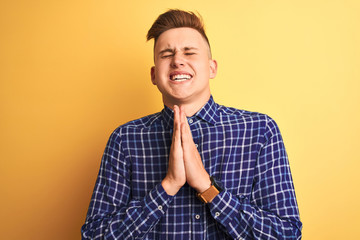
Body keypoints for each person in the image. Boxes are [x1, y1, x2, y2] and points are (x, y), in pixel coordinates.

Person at [81, 9, 302, 239]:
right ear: (154, 74)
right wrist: (167, 187)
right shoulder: (125, 139)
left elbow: (287, 234)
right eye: (167, 54)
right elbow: (93, 236)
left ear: (211, 68)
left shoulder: (260, 131)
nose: (177, 60)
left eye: (189, 52)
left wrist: (208, 189)